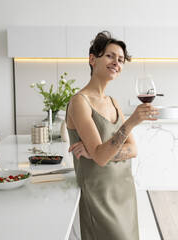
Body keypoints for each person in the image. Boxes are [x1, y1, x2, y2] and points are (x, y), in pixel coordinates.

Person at [65, 31, 158, 240]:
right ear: (92, 59)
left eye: (121, 59)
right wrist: (132, 121)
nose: (116, 62)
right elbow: (101, 156)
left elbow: (133, 150)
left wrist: (98, 154)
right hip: (100, 196)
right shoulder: (80, 102)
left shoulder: (113, 102)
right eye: (110, 55)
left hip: (124, 190)